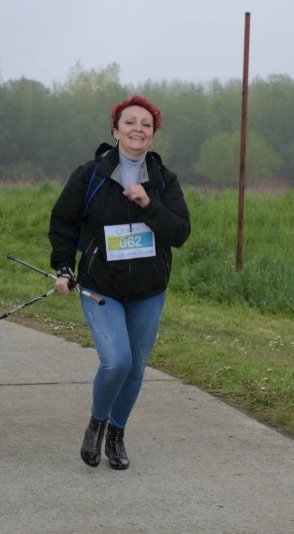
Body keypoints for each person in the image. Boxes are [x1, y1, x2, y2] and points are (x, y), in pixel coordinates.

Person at [48, 95, 191, 470]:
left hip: (148, 290)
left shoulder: (163, 181)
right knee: (116, 361)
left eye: (146, 124)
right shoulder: (90, 175)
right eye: (130, 122)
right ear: (115, 131)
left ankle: (117, 434)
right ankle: (96, 424)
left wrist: (149, 205)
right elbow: (62, 223)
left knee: (137, 367)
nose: (138, 129)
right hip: (100, 286)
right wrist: (63, 267)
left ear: (153, 135)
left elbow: (179, 232)